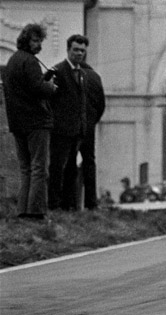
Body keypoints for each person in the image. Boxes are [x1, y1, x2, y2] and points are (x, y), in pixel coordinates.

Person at [1, 23, 58, 219]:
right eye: (36, 41)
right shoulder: (30, 62)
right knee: (39, 168)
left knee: (25, 169)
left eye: (40, 41)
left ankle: (23, 211)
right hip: (36, 121)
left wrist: (43, 81)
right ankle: (36, 212)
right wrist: (50, 86)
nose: (38, 45)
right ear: (26, 40)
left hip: (17, 122)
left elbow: (25, 87)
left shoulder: (13, 61)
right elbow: (38, 88)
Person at [48, 34, 90, 211]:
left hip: (76, 132)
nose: (79, 53)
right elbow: (48, 98)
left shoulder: (82, 73)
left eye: (82, 50)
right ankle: (54, 205)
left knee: (72, 169)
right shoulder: (57, 71)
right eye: (76, 50)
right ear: (68, 50)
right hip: (60, 131)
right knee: (57, 168)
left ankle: (68, 205)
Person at [63, 59, 105, 209]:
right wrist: (92, 120)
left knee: (69, 163)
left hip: (71, 126)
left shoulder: (70, 75)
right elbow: (101, 104)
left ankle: (70, 203)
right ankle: (91, 203)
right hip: (88, 127)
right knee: (89, 163)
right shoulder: (95, 77)